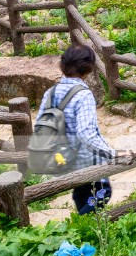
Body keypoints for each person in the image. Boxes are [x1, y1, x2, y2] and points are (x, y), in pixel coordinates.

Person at [37, 46, 115, 215]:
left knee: (81, 192)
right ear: (89, 68)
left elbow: (40, 126)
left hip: (62, 158)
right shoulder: (83, 95)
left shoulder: (51, 92)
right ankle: (80, 224)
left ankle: (84, 226)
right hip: (85, 160)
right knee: (102, 192)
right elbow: (86, 134)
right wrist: (111, 154)